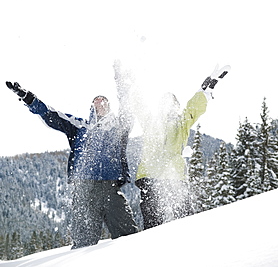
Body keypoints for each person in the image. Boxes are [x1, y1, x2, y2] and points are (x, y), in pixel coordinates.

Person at [6, 61, 138, 248]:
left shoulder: (118, 128)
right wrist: (28, 98)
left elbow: (127, 108)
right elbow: (51, 115)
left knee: (128, 237)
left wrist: (121, 80)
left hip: (110, 188)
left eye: (104, 101)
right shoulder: (80, 127)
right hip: (84, 191)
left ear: (109, 106)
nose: (100, 103)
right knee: (83, 244)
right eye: (96, 101)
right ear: (91, 107)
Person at [133, 64, 231, 229]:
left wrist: (204, 91)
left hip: (175, 177)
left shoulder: (182, 123)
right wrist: (131, 81)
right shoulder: (151, 121)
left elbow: (193, 108)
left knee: (184, 220)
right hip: (150, 177)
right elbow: (139, 105)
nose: (169, 106)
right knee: (152, 223)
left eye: (172, 103)